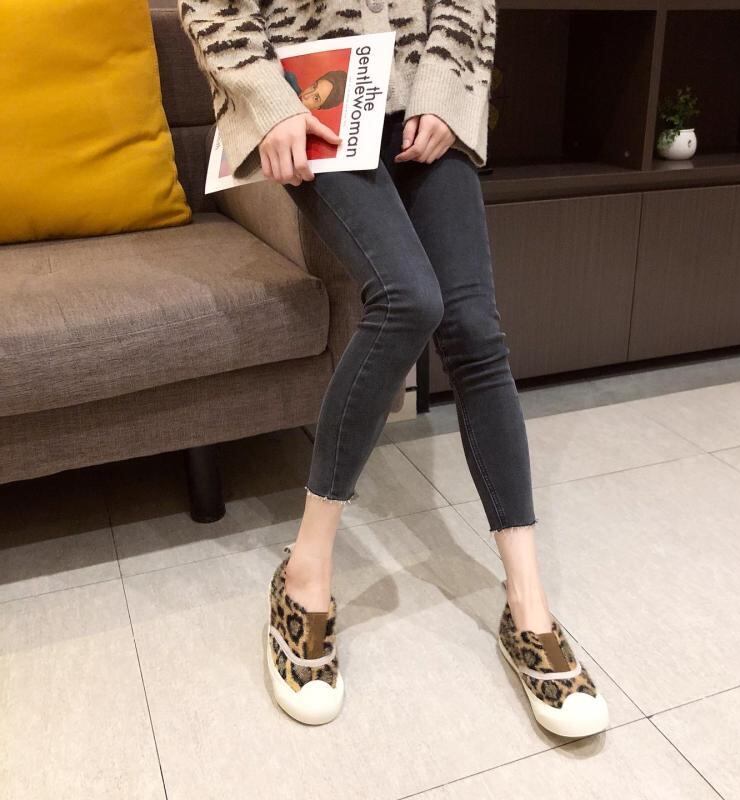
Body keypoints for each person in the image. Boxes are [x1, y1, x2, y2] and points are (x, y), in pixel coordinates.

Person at [179, 0, 609, 737]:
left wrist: (446, 89)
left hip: (424, 92)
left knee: (475, 329)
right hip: (317, 90)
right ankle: (305, 573)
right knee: (408, 300)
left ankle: (527, 605)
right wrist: (267, 100)